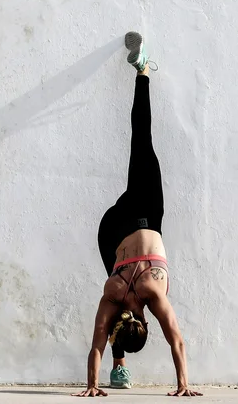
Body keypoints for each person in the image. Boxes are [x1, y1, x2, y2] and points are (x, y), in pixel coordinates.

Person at [73, 33, 202, 398]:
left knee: (141, 139)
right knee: (140, 140)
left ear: (144, 321)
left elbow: (176, 340)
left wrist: (184, 385)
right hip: (112, 229)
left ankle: (142, 71)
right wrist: (91, 386)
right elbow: (97, 343)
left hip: (144, 212)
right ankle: (117, 369)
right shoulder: (114, 295)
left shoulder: (150, 292)